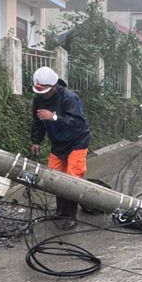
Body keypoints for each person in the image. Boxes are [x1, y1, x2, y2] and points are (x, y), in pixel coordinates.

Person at [29, 66, 90, 230]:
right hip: (58, 144)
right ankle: (61, 212)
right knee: (55, 178)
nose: (42, 95)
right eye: (39, 92)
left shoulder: (70, 98)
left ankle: (71, 216)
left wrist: (54, 116)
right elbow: (38, 121)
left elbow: (78, 123)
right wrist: (36, 141)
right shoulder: (38, 99)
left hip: (77, 141)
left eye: (45, 92)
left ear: (54, 86)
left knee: (72, 179)